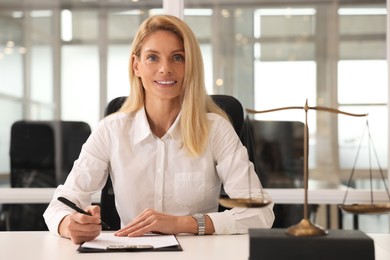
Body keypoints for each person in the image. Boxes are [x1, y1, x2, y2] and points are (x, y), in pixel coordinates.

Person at [43, 14, 274, 244]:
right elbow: (60, 205)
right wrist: (69, 224)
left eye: (177, 58)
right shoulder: (111, 131)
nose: (165, 69)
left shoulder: (216, 129)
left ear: (190, 65)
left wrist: (182, 224)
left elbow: (260, 214)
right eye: (153, 57)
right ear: (136, 65)